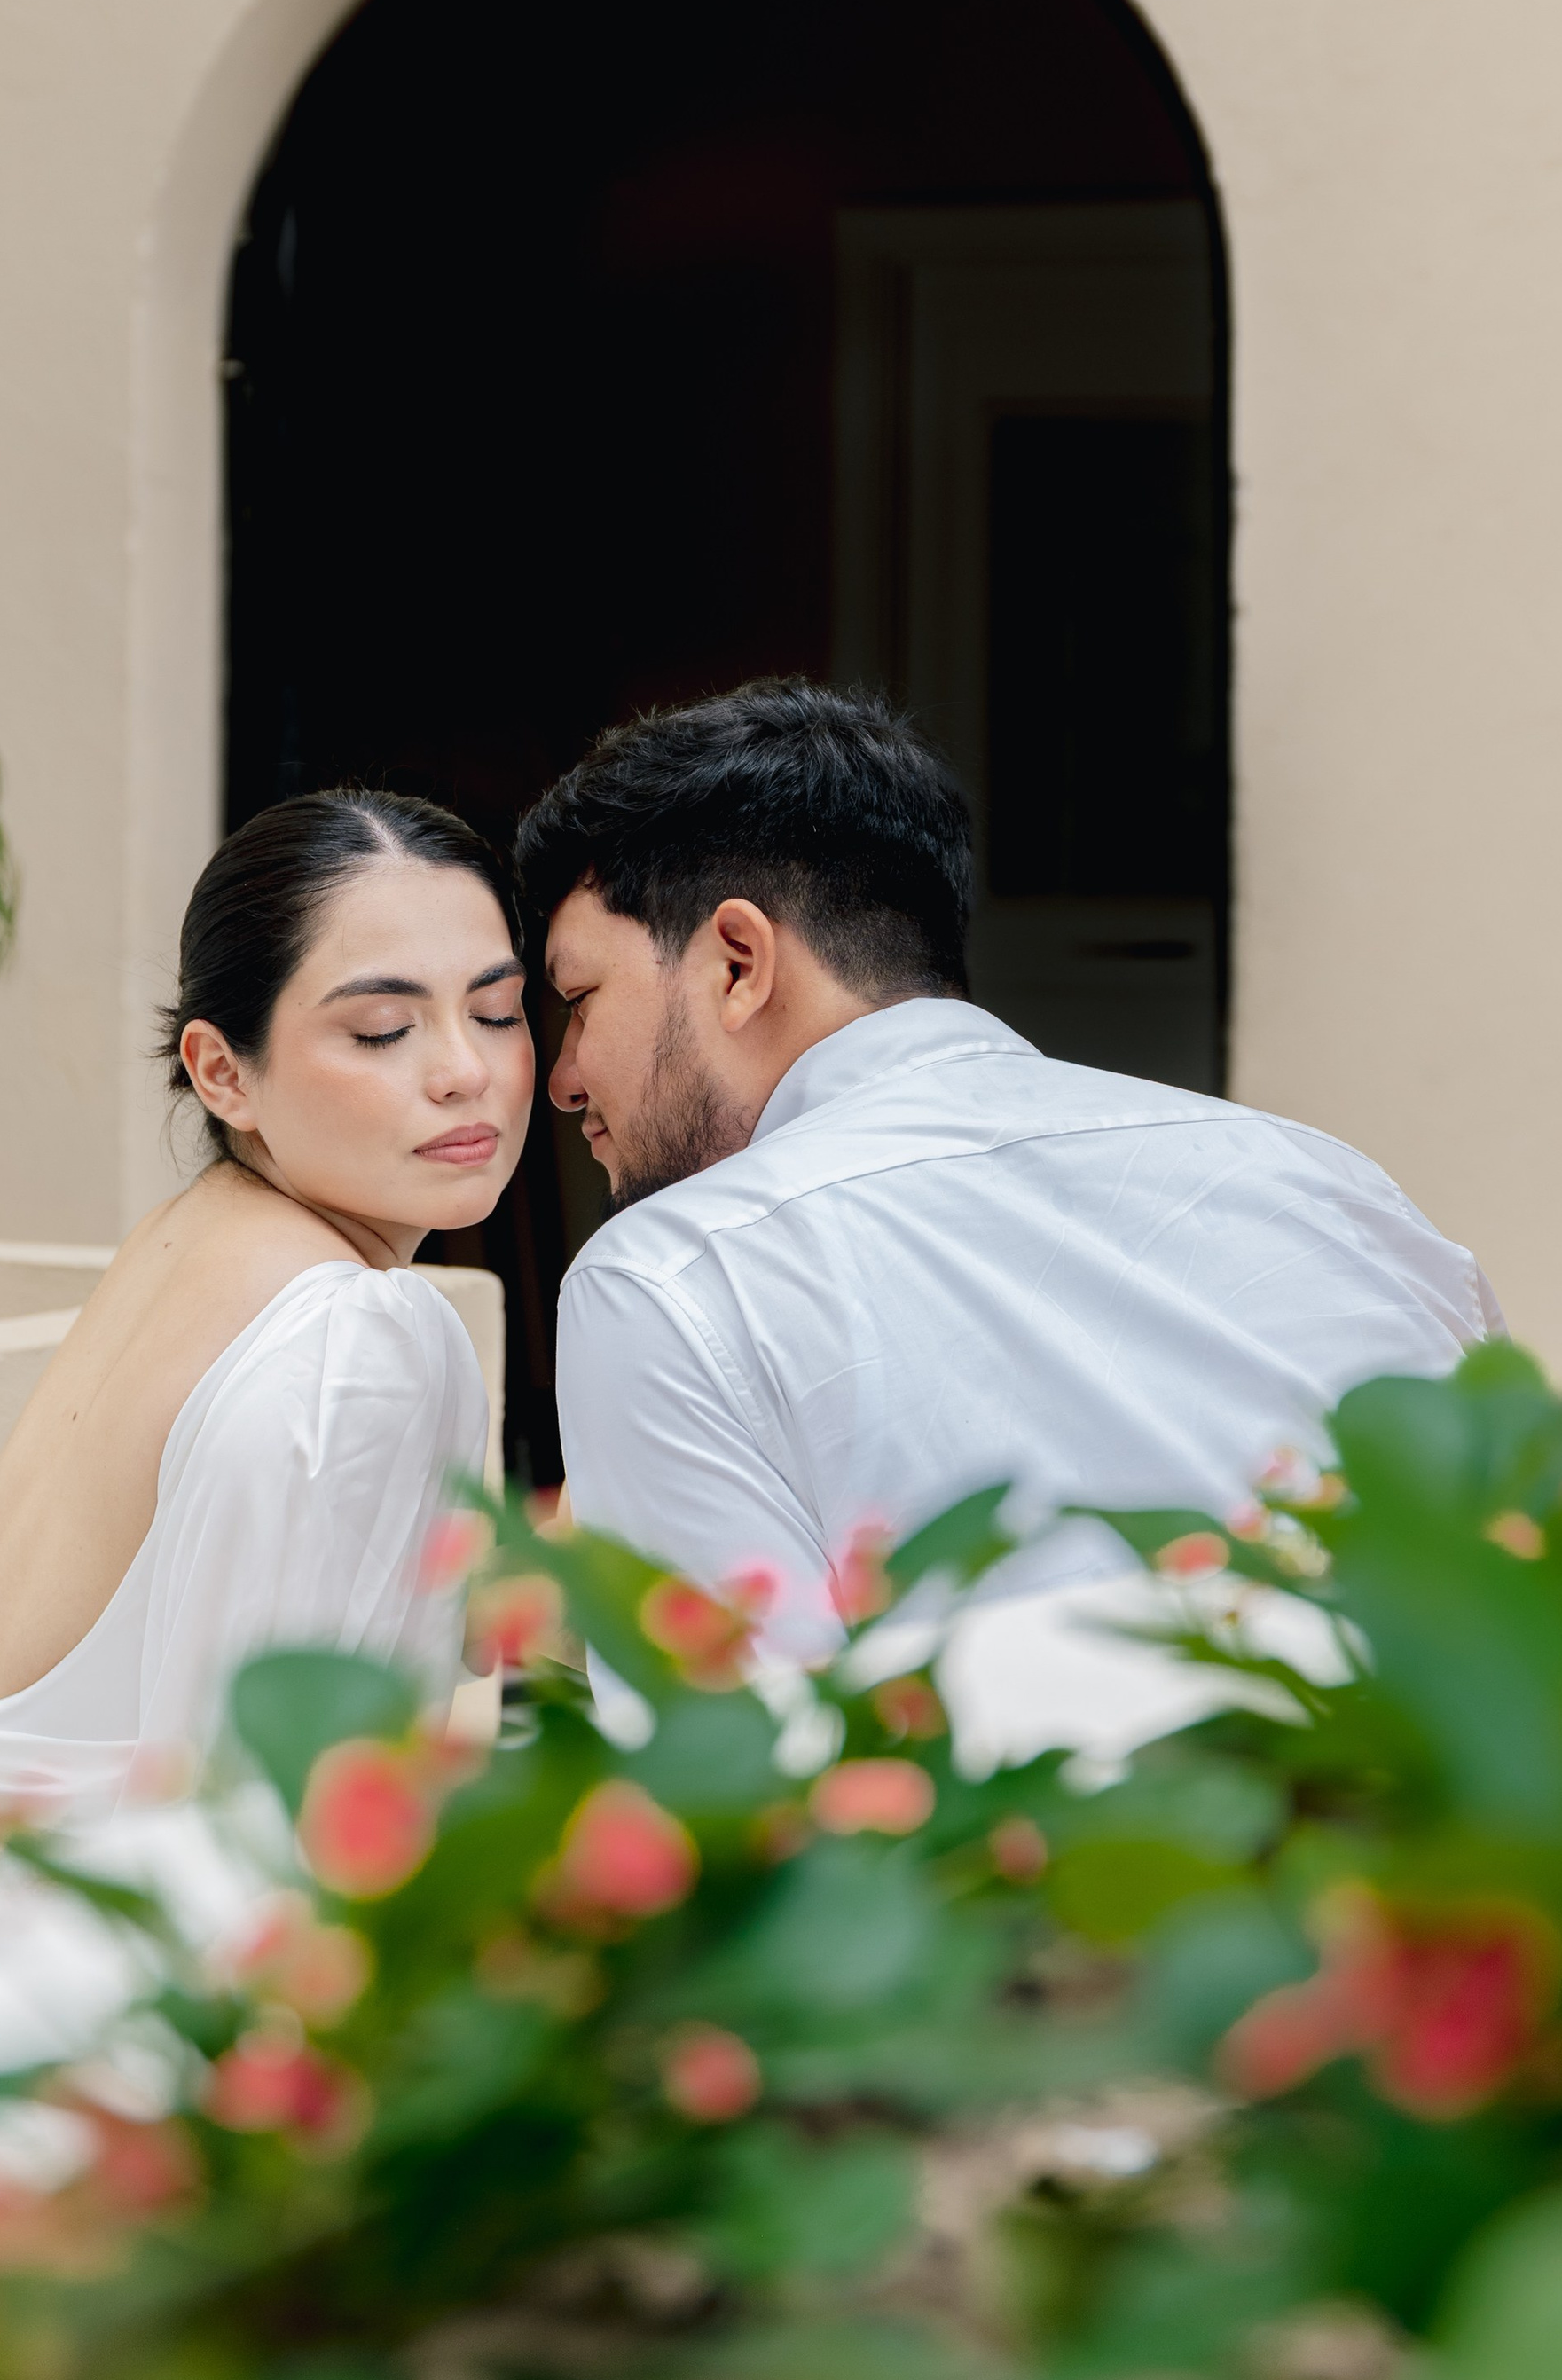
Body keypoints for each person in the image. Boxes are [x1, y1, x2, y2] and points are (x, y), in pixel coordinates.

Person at [514, 682, 1502, 1661]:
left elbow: (737, 1776)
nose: (561, 1078)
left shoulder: (669, 1276)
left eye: (579, 997)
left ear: (737, 962)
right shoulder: (1325, 1183)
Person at [0, 791, 530, 1821]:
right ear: (220, 1072)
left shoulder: (175, 1242)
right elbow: (270, 1819)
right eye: (383, 1030)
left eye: (496, 1011)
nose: (465, 1071)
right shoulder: (358, 1333)